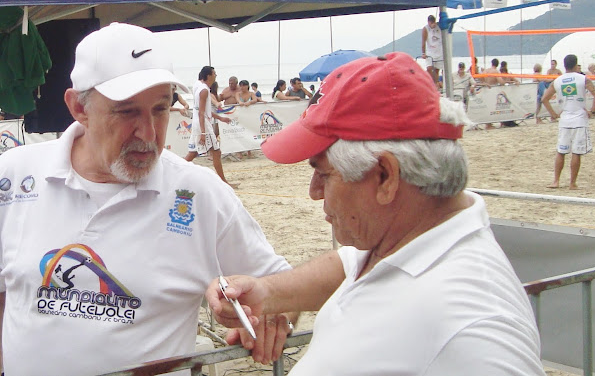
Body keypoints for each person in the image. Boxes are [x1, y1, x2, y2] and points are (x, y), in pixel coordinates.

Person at [207, 52, 546, 376]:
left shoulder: (473, 326)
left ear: (385, 176)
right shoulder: (412, 234)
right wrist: (267, 292)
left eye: (324, 174)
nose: (313, 192)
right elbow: (348, 264)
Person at [0, 23, 294, 376]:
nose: (148, 133)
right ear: (79, 107)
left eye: (160, 109)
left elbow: (279, 284)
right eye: (127, 111)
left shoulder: (200, 193)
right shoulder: (13, 176)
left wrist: (272, 318)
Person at [542, 54, 595, 190]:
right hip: (579, 118)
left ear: (564, 65)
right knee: (576, 152)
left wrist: (554, 114)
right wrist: (593, 110)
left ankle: (556, 181)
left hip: (565, 119)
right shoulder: (583, 78)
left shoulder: (557, 80)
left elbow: (544, 99)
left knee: (561, 151)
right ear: (576, 65)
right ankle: (572, 183)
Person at [421, 14, 443, 88]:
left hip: (439, 50)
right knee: (429, 68)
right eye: (431, 23)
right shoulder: (425, 29)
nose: (432, 25)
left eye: (433, 23)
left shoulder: (439, 26)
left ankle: (436, 84)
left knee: (437, 70)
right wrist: (423, 53)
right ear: (428, 22)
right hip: (430, 51)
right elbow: (423, 42)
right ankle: (430, 83)